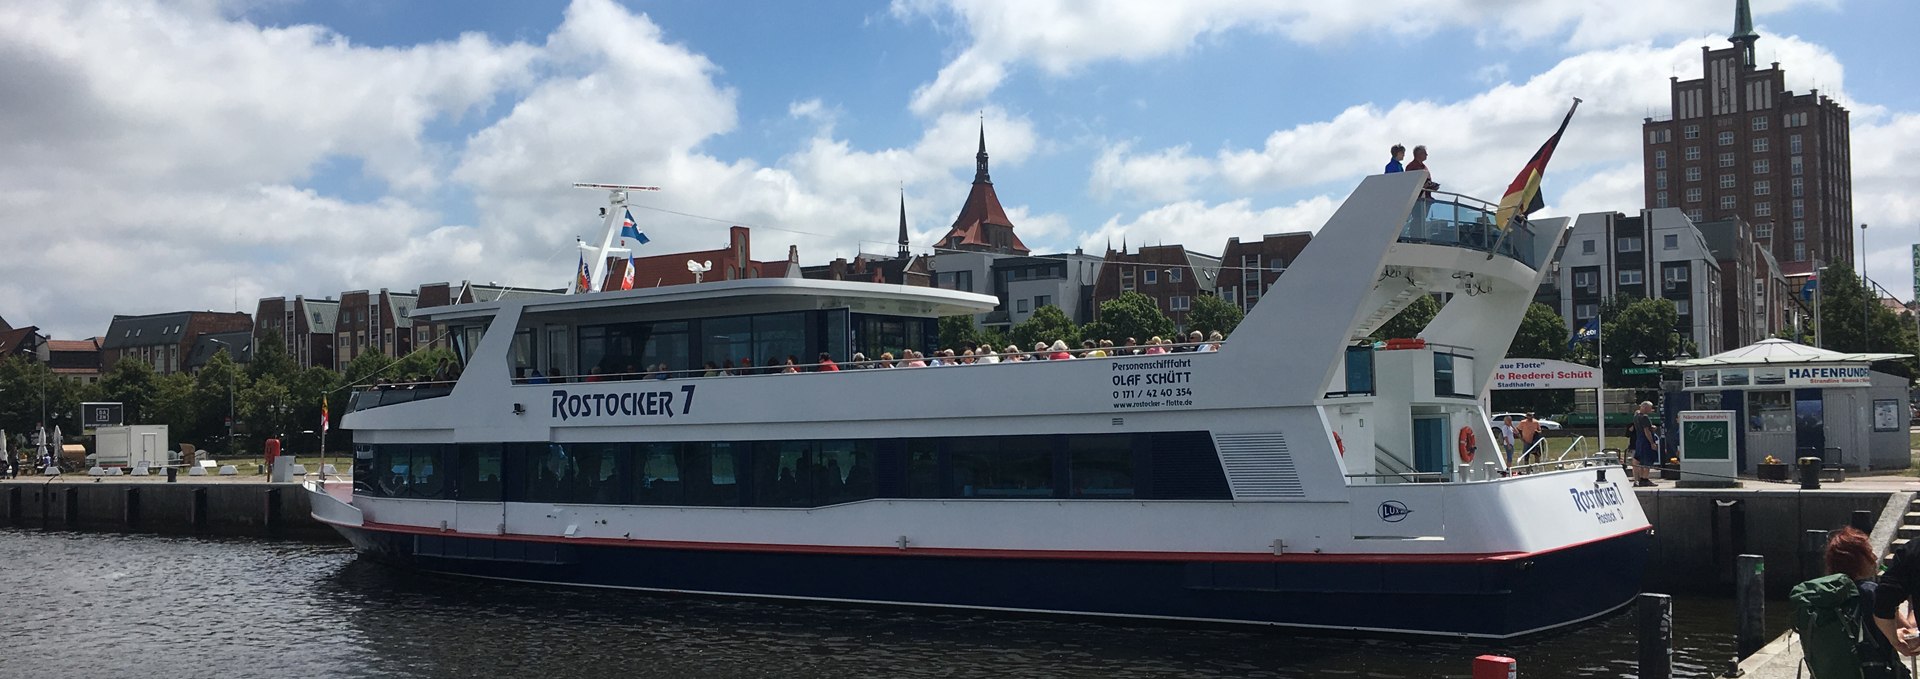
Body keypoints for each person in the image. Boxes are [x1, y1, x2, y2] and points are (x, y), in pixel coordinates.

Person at [1795, 528, 1911, 678]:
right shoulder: (1872, 592)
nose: (1875, 557)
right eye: (1868, 552)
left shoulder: (1828, 598)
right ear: (1858, 559)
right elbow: (1908, 632)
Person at [1630, 401, 1658, 487]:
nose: (1651, 410)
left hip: (1639, 440)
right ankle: (1644, 479)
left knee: (1637, 458)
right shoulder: (1645, 417)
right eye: (1650, 408)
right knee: (1648, 459)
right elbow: (1646, 431)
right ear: (1645, 408)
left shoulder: (1636, 416)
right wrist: (1652, 443)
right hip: (1646, 441)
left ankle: (1636, 479)